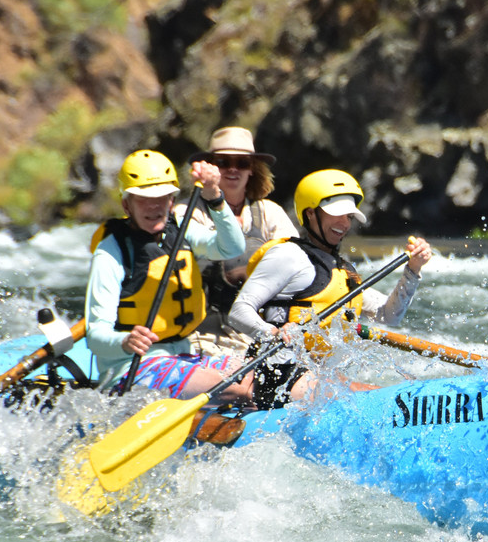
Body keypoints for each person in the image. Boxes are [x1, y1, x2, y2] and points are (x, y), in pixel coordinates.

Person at [228, 169, 433, 407]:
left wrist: (413, 270)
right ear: (311, 213)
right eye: (336, 215)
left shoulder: (341, 269)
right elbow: (239, 311)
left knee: (396, 392)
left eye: (348, 216)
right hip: (280, 377)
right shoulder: (287, 255)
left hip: (319, 377)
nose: (344, 224)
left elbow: (389, 315)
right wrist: (272, 333)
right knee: (381, 400)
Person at [84, 149, 255, 404]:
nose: (154, 206)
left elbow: (231, 247)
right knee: (240, 389)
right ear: (126, 204)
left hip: (186, 353)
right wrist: (126, 341)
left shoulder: (180, 230)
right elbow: (95, 336)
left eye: (162, 197)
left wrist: (215, 198)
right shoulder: (111, 252)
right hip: (133, 367)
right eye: (143, 199)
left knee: (264, 373)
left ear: (172, 201)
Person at [174, 127, 298, 352]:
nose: (233, 169)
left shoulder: (271, 212)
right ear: (210, 167)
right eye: (223, 161)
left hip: (260, 334)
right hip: (200, 337)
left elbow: (297, 265)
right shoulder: (186, 211)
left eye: (242, 162)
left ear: (252, 169)